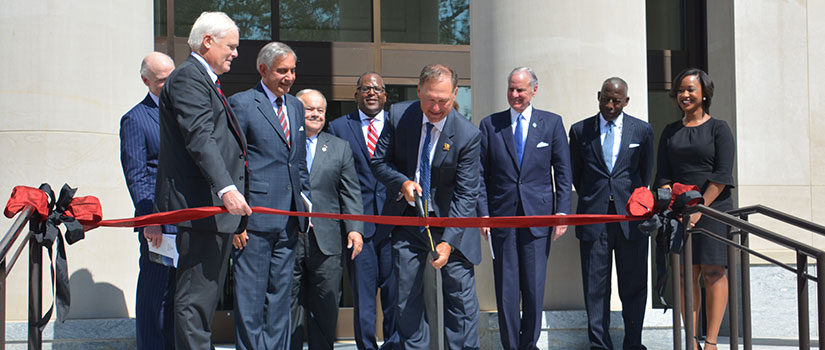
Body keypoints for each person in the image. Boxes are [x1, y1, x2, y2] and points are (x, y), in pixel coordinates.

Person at [154, 11, 251, 349]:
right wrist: (226, 188)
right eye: (231, 46)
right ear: (208, 41)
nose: (236, 53)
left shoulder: (205, 79)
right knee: (195, 298)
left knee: (204, 298)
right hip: (201, 207)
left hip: (216, 213)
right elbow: (200, 137)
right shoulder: (188, 78)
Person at [370, 64, 481, 349]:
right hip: (410, 220)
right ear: (418, 91)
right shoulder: (398, 116)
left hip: (451, 223)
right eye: (430, 98)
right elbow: (379, 163)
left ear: (455, 94)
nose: (436, 107)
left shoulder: (468, 135)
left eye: (444, 100)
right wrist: (402, 183)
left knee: (461, 303)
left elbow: (467, 195)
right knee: (406, 299)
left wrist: (448, 242)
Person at [477, 66, 572, 350]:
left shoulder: (551, 123)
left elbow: (563, 172)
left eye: (520, 89)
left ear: (534, 90)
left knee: (533, 287)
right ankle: (510, 346)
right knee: (506, 288)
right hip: (501, 218)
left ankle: (529, 344)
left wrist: (562, 213)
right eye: (511, 88)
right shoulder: (490, 125)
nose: (515, 94)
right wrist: (483, 214)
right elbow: (479, 174)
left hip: (538, 218)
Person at [226, 41, 310, 350]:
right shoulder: (242, 104)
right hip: (254, 220)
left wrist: (305, 207)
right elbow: (232, 163)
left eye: (292, 70)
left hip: (289, 220)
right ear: (263, 70)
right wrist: (237, 223)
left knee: (281, 296)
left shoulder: (296, 106)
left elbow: (298, 162)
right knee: (250, 296)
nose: (289, 77)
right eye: (282, 71)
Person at [569, 77, 654, 350]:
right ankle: (599, 345)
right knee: (595, 289)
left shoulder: (641, 130)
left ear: (626, 101)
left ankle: (633, 343)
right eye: (605, 98)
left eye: (616, 100)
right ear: (598, 96)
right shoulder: (580, 130)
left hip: (631, 220)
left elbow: (645, 173)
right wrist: (596, 198)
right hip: (594, 219)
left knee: (634, 286)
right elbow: (577, 175)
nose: (609, 104)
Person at [654, 68, 735, 350]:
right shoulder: (670, 131)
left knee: (713, 271)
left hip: (713, 209)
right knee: (686, 273)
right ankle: (691, 340)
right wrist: (665, 201)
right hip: (680, 212)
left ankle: (711, 341)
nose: (684, 95)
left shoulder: (719, 128)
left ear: (705, 93)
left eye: (690, 89)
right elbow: (663, 174)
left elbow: (722, 176)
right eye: (680, 90)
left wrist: (700, 208)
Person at [327, 71, 399, 349]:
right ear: (356, 95)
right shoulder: (338, 127)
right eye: (364, 89)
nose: (371, 93)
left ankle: (393, 345)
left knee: (395, 297)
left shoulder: (397, 124)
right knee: (364, 298)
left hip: (394, 224)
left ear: (385, 95)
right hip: (359, 228)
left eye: (376, 89)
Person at [289, 89, 364, 350]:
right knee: (290, 306)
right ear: (296, 110)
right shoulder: (283, 142)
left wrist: (355, 229)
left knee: (325, 306)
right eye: (309, 109)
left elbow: (350, 192)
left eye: (320, 110)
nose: (315, 114)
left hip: (327, 242)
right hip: (290, 238)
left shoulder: (339, 148)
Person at [119, 51, 176, 350]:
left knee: (180, 296)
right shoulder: (135, 119)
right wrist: (150, 221)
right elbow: (137, 176)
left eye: (172, 78)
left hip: (188, 219)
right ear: (146, 81)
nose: (170, 85)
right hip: (159, 224)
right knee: (156, 294)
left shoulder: (183, 113)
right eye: (162, 81)